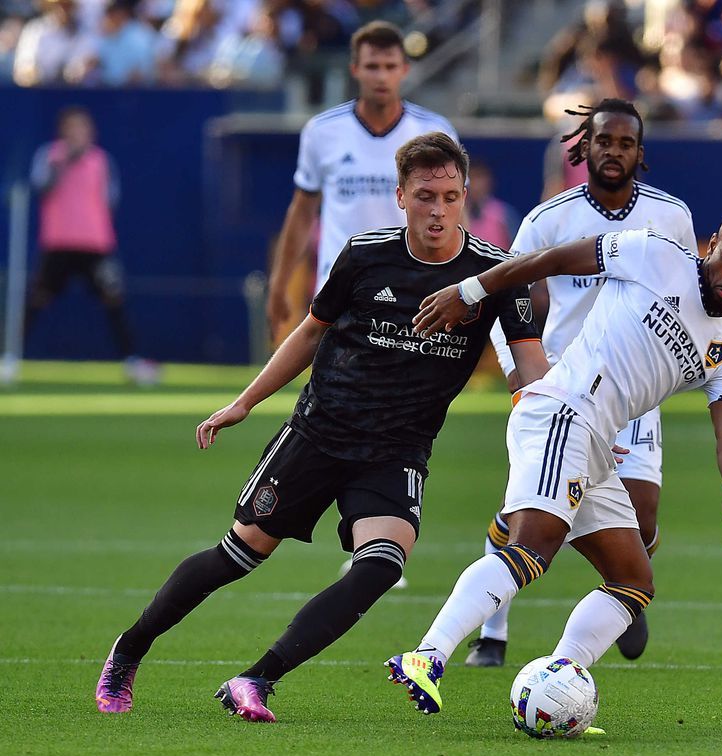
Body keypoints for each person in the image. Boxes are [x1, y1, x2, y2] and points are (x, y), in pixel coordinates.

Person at [94, 133, 547, 723]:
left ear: (465, 196)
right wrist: (246, 402)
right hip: (321, 430)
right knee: (239, 554)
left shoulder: (493, 274)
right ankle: (128, 651)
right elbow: (311, 332)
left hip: (398, 448)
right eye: (425, 196)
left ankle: (256, 679)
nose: (438, 210)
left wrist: (569, 422)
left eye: (450, 196)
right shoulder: (365, 255)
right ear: (400, 197)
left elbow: (529, 361)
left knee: (382, 564)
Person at [386, 208, 722, 720]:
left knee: (633, 581)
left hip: (596, 443)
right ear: (711, 246)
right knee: (532, 549)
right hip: (562, 410)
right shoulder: (653, 253)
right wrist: (470, 291)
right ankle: (428, 655)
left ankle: (555, 684)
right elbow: (548, 259)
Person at [467, 98, 697, 669]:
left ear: (640, 155)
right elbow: (506, 295)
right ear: (583, 148)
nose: (613, 151)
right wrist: (524, 374)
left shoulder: (673, 218)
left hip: (637, 389)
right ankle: (491, 633)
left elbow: (691, 299)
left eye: (625, 144)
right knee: (529, 519)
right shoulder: (550, 219)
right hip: (565, 386)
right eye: (603, 141)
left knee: (642, 520)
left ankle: (624, 586)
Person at [266, 20, 457, 341]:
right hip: (339, 286)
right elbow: (301, 213)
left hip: (413, 284)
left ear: (404, 70)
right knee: (335, 385)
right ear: (355, 69)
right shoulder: (322, 131)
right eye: (372, 66)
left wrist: (456, 281)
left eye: (389, 66)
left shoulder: (434, 131)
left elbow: (452, 214)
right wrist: (279, 283)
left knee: (405, 388)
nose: (381, 76)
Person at [25, 106, 157, 384]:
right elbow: (41, 187)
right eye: (72, 128)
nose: (77, 134)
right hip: (58, 244)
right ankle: (9, 359)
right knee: (37, 300)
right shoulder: (49, 157)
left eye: (82, 128)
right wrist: (63, 164)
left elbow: (110, 199)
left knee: (114, 299)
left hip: (96, 246)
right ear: (63, 131)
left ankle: (132, 362)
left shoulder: (101, 161)